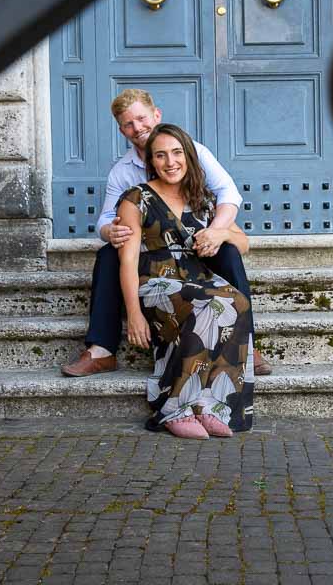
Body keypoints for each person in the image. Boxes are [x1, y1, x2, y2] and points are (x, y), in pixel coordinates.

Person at [60, 89, 274, 377]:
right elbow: (106, 220)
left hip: (194, 248)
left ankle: (245, 342)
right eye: (128, 124)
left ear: (156, 115)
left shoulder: (192, 155)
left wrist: (217, 232)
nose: (137, 128)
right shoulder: (123, 173)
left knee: (229, 251)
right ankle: (102, 349)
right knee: (110, 253)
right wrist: (110, 230)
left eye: (141, 119)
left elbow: (228, 194)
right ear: (121, 129)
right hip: (149, 255)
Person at [115, 123, 255, 438]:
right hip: (155, 284)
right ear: (151, 161)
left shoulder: (200, 199)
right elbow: (126, 261)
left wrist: (219, 232)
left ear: (189, 157)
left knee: (238, 301)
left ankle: (209, 405)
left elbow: (243, 242)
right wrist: (134, 313)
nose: (170, 162)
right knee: (208, 304)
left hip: (195, 280)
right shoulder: (136, 199)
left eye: (177, 153)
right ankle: (174, 408)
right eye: (161, 155)